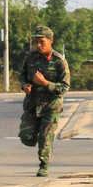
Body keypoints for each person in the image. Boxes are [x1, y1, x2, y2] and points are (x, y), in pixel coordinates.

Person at [18, 25, 68, 177]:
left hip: (51, 106)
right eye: (36, 42)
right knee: (26, 137)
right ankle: (36, 141)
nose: (38, 45)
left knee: (45, 137)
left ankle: (44, 164)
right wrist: (24, 85)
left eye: (42, 42)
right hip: (33, 104)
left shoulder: (60, 62)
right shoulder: (30, 57)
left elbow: (64, 87)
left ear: (51, 41)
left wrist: (45, 83)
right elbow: (22, 74)